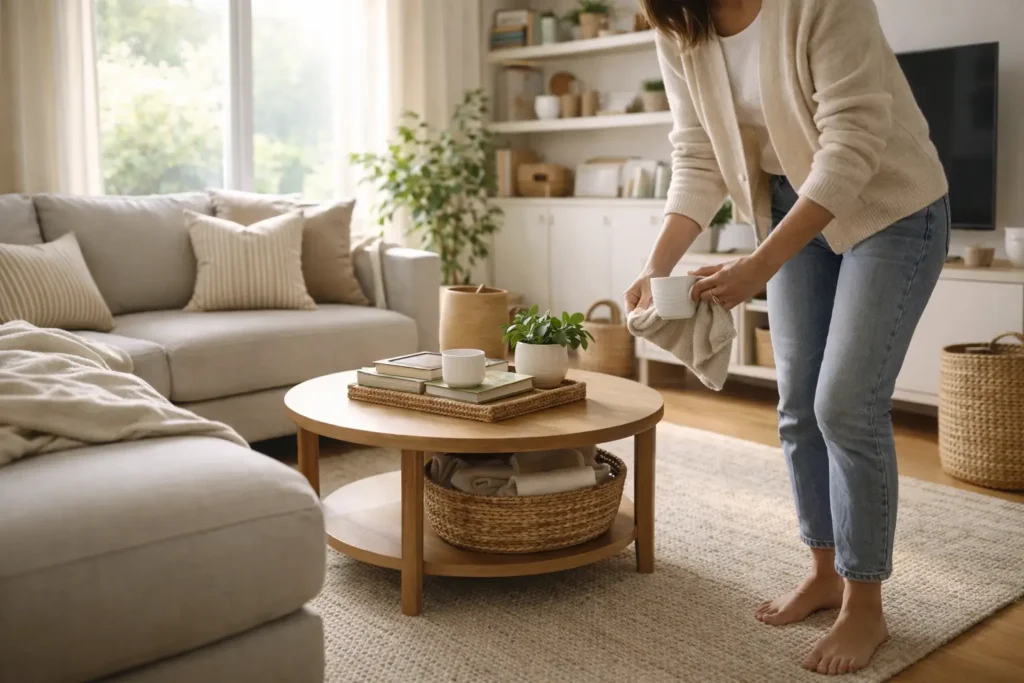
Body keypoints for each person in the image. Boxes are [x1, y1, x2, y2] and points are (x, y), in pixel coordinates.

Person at [625, 0, 950, 676]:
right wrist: (656, 265)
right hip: (790, 202)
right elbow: (697, 154)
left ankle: (866, 600)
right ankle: (825, 571)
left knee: (846, 404)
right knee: (799, 403)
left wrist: (758, 264)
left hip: (891, 205)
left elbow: (855, 138)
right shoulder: (681, 21)